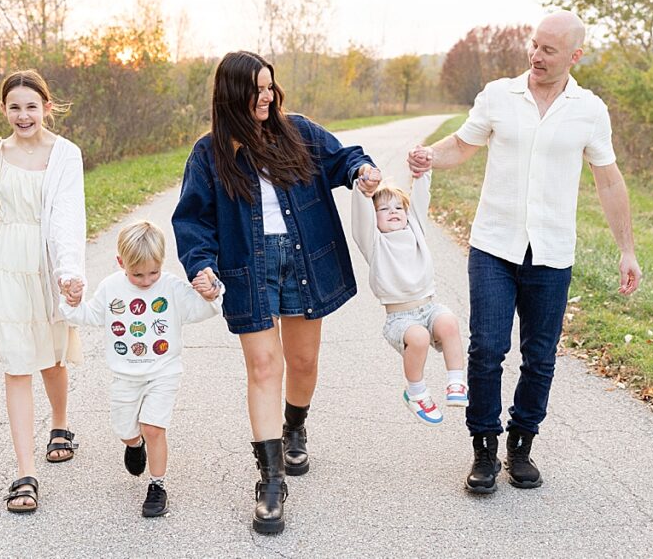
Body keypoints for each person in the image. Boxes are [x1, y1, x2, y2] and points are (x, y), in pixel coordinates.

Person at [409, 10, 642, 494]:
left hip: (552, 253)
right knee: (488, 348)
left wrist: (627, 250)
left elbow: (608, 179)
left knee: (540, 357)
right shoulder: (499, 95)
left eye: (549, 49)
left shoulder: (590, 110)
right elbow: (463, 144)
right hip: (494, 245)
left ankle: (521, 444)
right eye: (534, 45)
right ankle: (484, 448)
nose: (537, 55)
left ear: (574, 56)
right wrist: (431, 154)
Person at [172, 50, 379, 534]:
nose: (266, 97)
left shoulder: (299, 131)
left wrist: (361, 171)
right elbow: (193, 219)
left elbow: (342, 158)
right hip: (250, 266)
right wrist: (200, 264)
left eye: (269, 87)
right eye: (256, 90)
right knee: (265, 366)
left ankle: (296, 426)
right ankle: (270, 480)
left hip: (304, 258)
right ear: (231, 95)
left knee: (303, 361)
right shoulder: (209, 154)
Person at [0, 69, 87, 513]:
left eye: (32, 106)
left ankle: (61, 424)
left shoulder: (66, 154)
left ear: (47, 107)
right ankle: (25, 474)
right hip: (5, 269)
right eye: (15, 107)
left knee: (51, 357)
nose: (23, 115)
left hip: (46, 267)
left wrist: (69, 273)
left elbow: (68, 216)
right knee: (16, 365)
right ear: (4, 110)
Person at [59, 220, 223, 517]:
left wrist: (211, 295)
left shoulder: (171, 287)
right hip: (125, 375)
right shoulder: (111, 288)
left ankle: (157, 485)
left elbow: (200, 311)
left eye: (153, 272)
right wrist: (72, 302)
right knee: (126, 430)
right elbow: (88, 315)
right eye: (138, 274)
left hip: (164, 371)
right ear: (121, 263)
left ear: (162, 263)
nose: (147, 281)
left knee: (153, 427)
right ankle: (135, 445)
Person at [350, 170, 468, 427]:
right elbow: (360, 220)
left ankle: (456, 380)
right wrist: (363, 190)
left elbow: (421, 200)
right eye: (383, 209)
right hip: (400, 319)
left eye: (398, 207)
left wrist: (423, 173)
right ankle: (415, 393)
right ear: (374, 217)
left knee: (448, 321)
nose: (393, 211)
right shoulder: (374, 243)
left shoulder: (415, 231)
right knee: (419, 337)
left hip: (429, 307)